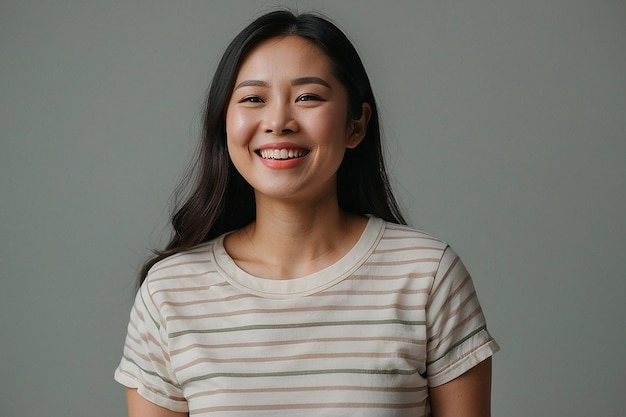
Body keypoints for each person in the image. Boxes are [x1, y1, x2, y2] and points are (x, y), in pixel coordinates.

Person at [114, 9, 499, 417]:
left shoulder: (428, 276)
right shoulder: (170, 292)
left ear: (356, 125)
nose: (278, 121)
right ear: (223, 124)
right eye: (252, 99)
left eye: (308, 97)